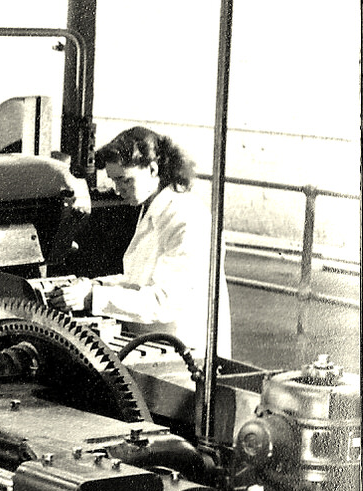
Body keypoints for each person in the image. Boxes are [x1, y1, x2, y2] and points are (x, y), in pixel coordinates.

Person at [50, 125, 230, 360]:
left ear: (153, 169)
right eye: (114, 181)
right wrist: (92, 285)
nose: (117, 190)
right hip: (159, 345)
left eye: (124, 180)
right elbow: (139, 280)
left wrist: (92, 297)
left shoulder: (187, 218)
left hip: (187, 355)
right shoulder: (153, 208)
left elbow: (163, 301)